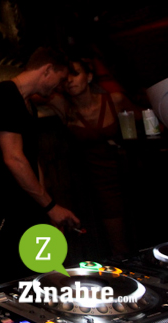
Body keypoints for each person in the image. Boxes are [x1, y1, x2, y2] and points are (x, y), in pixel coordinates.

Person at [0, 47, 81, 286]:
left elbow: (31, 159)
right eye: (59, 80)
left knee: (41, 279)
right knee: (10, 285)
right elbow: (14, 158)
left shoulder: (27, 104)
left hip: (22, 209)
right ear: (47, 70)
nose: (58, 87)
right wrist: (51, 207)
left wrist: (46, 208)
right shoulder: (4, 95)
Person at [48, 56, 138, 256]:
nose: (70, 80)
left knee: (139, 238)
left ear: (89, 76)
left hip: (125, 175)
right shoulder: (64, 106)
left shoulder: (114, 99)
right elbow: (34, 91)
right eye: (65, 76)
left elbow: (147, 121)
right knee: (111, 247)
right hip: (93, 184)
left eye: (75, 73)